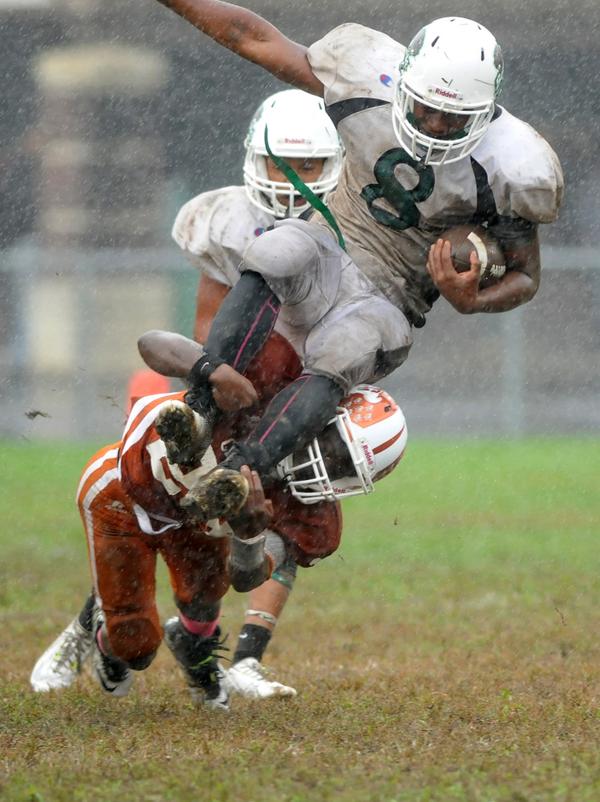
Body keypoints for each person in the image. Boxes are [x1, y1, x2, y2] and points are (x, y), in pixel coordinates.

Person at [148, 4, 563, 516]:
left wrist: (472, 300)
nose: (433, 125)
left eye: (453, 118)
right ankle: (201, 409)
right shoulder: (368, 76)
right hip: (331, 241)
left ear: (484, 113)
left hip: (391, 294)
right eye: (422, 108)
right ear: (403, 85)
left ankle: (241, 470)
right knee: (280, 247)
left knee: (347, 350)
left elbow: (526, 276)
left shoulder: (512, 164)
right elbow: (251, 37)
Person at [30, 332, 408, 708]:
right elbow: (150, 342)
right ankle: (92, 625)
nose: (325, 466)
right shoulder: (268, 385)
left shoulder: (316, 519)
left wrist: (249, 534)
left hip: (196, 526)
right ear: (322, 413)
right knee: (134, 641)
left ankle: (190, 649)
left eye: (343, 468)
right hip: (127, 497)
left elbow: (245, 577)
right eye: (334, 448)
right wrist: (210, 368)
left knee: (199, 601)